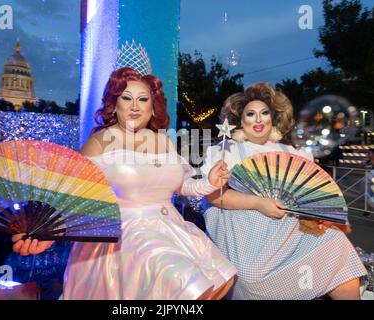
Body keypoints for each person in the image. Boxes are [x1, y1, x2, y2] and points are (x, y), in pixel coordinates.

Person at [12, 67, 237, 300]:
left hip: (172, 231)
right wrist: (50, 233)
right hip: (126, 238)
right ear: (115, 104)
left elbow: (182, 186)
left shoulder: (164, 142)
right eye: (126, 98)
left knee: (220, 279)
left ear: (152, 107)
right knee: (184, 281)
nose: (135, 106)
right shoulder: (99, 143)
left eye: (143, 99)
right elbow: (75, 196)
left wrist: (209, 182)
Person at [201, 83, 367, 300]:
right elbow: (214, 195)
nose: (258, 120)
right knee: (251, 277)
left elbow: (311, 195)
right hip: (246, 231)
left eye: (264, 113)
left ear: (274, 117)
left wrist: (329, 216)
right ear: (240, 121)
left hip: (291, 228)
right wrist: (259, 203)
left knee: (339, 251)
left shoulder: (294, 153)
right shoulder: (224, 151)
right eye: (250, 114)